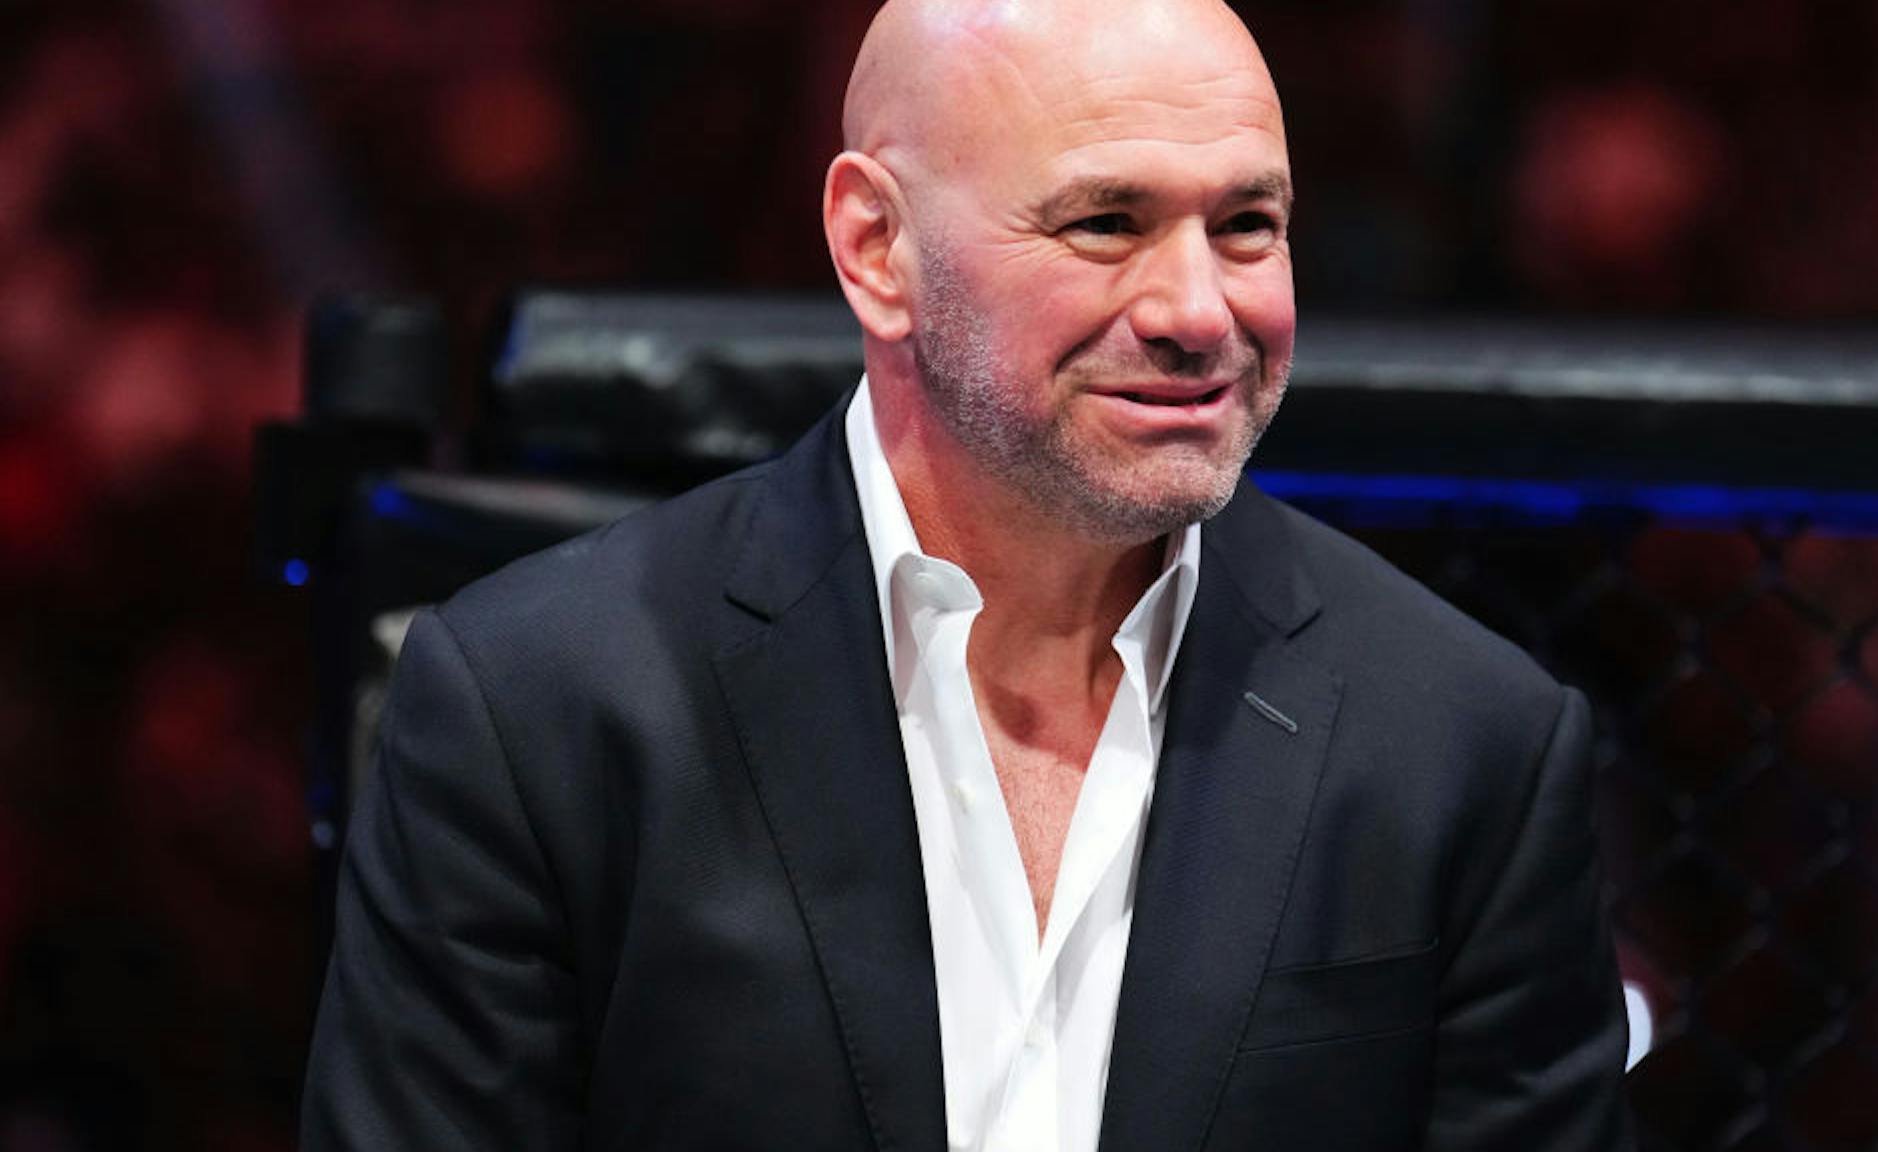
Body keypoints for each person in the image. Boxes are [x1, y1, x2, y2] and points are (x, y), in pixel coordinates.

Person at [301, 0, 1634, 1148]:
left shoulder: (1469, 741)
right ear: (876, 248)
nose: (1197, 310)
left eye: (1246, 225)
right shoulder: (535, 703)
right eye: (1105, 222)